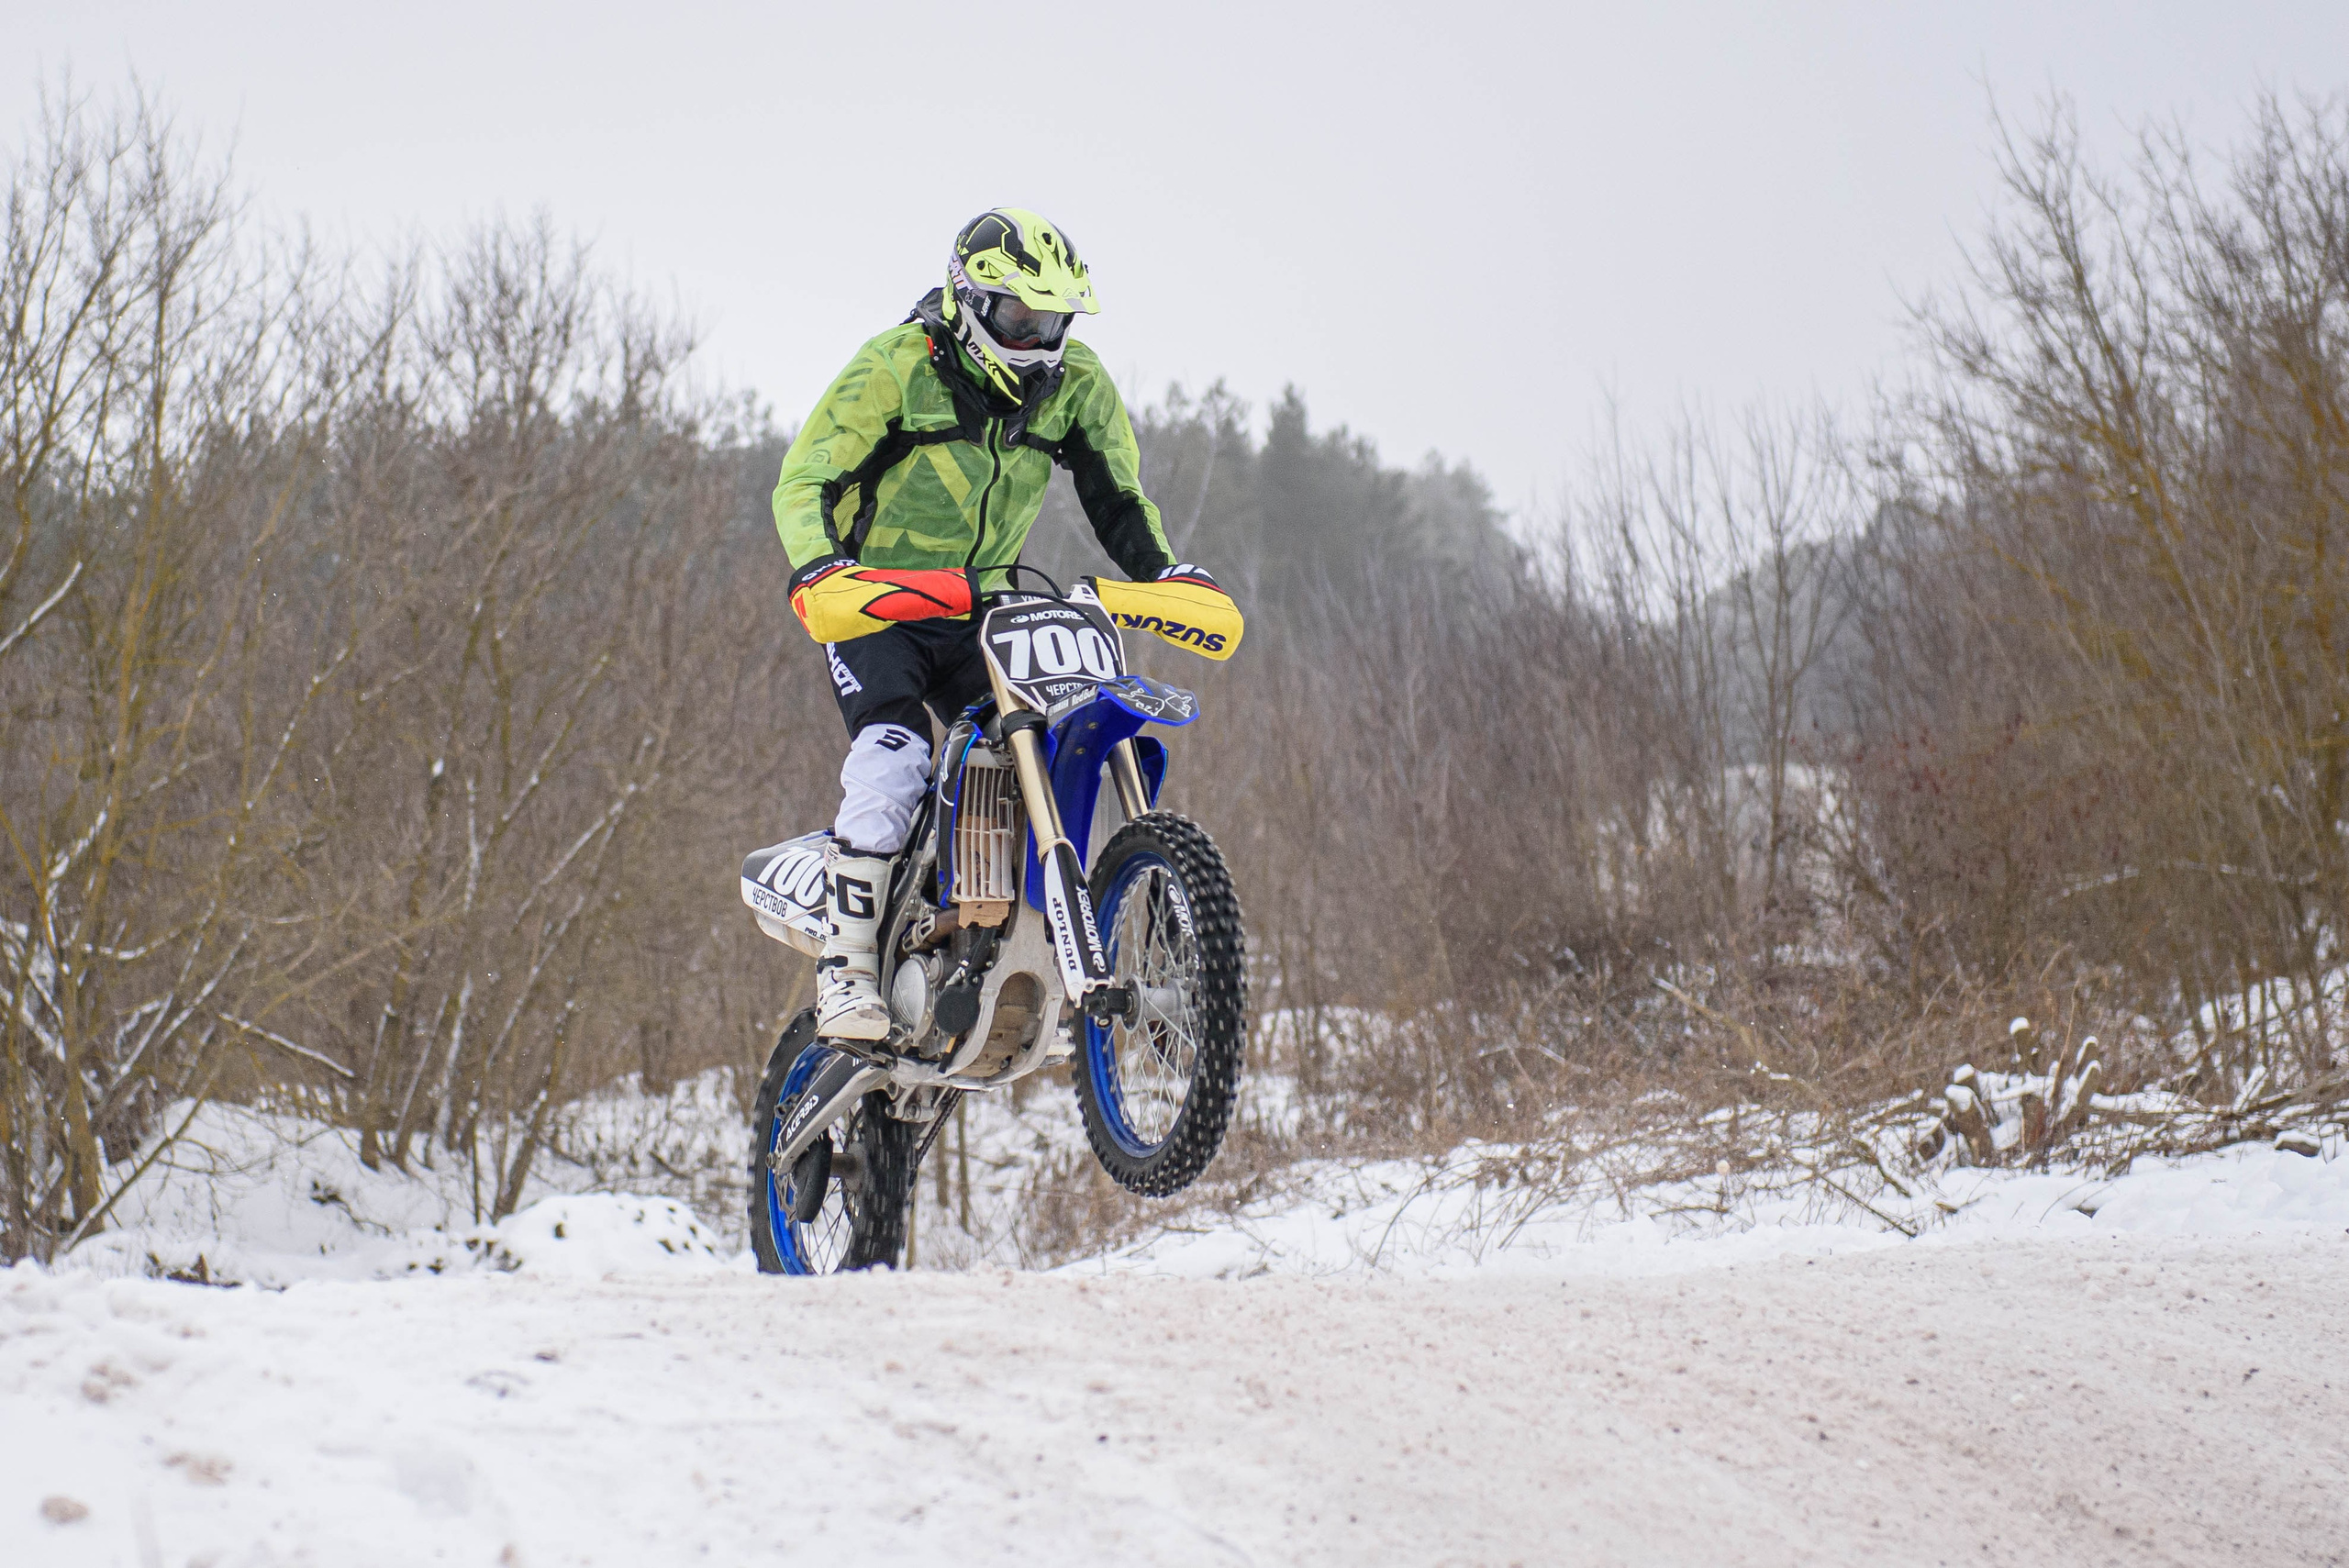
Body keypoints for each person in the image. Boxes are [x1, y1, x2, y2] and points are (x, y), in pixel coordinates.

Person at [774, 207, 1237, 1043]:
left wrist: (1163, 571)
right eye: (1020, 316)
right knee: (894, 749)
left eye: (1053, 319)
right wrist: (819, 565)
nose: (1037, 337)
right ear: (968, 300)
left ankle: (1043, 938)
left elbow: (1117, 496)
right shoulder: (893, 367)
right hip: (878, 598)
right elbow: (804, 481)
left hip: (985, 601)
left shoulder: (1075, 382)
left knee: (1047, 738)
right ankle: (844, 966)